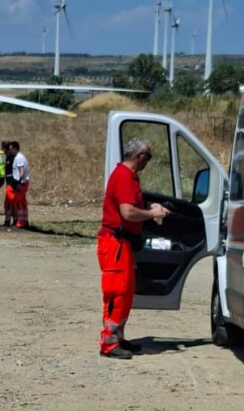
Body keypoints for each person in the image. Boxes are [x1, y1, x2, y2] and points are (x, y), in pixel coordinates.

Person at [96, 137, 170, 359]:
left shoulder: (129, 177)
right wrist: (152, 214)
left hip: (123, 243)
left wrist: (148, 206)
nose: (149, 161)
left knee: (126, 294)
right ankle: (108, 344)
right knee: (117, 293)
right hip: (115, 244)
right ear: (140, 157)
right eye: (149, 156)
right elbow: (128, 212)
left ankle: (117, 337)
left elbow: (132, 206)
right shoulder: (124, 177)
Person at [8, 141, 31, 228]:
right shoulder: (20, 156)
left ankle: (20, 222)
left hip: (21, 183)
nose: (10, 151)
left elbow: (21, 170)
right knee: (22, 202)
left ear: (15, 149)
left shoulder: (19, 158)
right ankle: (24, 220)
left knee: (19, 203)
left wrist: (18, 182)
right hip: (22, 182)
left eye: (11, 149)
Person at [2, 141, 16, 226]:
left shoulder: (12, 158)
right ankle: (8, 220)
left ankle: (13, 220)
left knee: (11, 202)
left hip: (12, 183)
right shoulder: (8, 157)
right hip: (9, 183)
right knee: (8, 202)